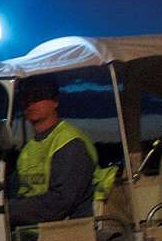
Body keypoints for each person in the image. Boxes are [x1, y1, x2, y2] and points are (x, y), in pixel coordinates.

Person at [8, 75, 99, 226]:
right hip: (31, 232)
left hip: (66, 234)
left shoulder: (70, 143)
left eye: (38, 96)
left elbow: (60, 202)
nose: (30, 102)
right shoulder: (28, 149)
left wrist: (7, 210)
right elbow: (15, 190)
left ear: (55, 101)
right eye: (25, 98)